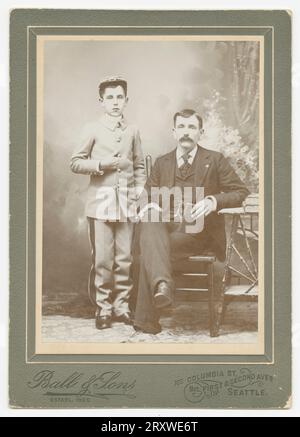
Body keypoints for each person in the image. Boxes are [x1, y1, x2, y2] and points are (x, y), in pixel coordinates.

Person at [133, 108, 250, 334]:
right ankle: (162, 285)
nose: (186, 132)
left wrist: (213, 201)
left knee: (150, 247)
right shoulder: (162, 162)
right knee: (149, 222)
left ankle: (147, 318)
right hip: (166, 229)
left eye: (192, 127)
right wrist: (152, 205)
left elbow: (240, 191)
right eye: (182, 127)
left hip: (198, 233)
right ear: (174, 131)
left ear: (200, 132)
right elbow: (145, 197)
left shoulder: (214, 160)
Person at [70, 76, 146, 330]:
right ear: (101, 101)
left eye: (120, 97)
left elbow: (139, 165)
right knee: (103, 259)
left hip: (126, 202)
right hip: (100, 203)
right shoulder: (92, 128)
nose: (115, 102)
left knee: (124, 258)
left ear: (127, 100)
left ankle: (121, 307)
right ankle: (103, 308)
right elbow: (75, 162)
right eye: (110, 98)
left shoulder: (132, 130)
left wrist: (137, 191)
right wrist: (101, 165)